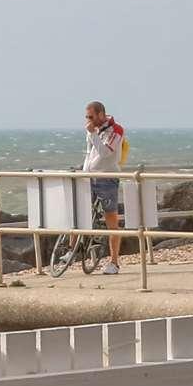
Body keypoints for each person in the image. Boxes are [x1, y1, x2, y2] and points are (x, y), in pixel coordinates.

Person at [80, 101, 129, 275]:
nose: (88, 121)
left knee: (111, 220)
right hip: (89, 178)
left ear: (101, 114)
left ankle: (114, 262)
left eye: (91, 117)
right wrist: (84, 172)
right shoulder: (94, 130)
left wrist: (92, 134)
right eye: (87, 117)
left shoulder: (116, 130)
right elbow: (90, 153)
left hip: (107, 179)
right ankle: (70, 249)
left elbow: (105, 153)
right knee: (77, 211)